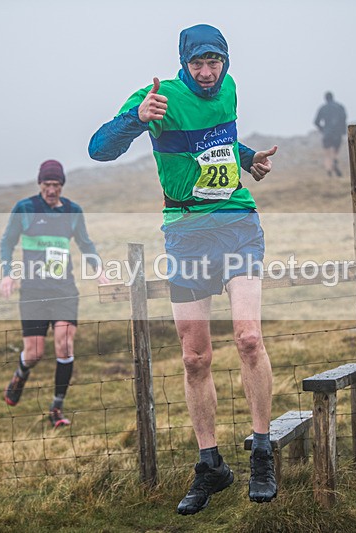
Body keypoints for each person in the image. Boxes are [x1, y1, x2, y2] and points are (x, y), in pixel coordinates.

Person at [88, 24, 278, 515]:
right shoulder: (159, 99)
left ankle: (262, 450)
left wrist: (247, 157)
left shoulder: (230, 89)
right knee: (195, 357)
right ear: (183, 62)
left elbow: (216, 146)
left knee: (249, 338)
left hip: (237, 223)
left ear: (225, 62)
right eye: (198, 63)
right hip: (185, 231)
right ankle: (211, 464)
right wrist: (136, 117)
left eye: (214, 62)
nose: (208, 71)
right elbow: (98, 149)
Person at [0, 159, 108, 428]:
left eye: (56, 185)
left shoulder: (73, 211)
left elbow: (85, 243)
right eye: (47, 185)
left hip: (64, 290)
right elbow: (7, 242)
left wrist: (98, 268)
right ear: (40, 184)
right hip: (33, 291)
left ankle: (56, 408)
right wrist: (7, 273)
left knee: (65, 343)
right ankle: (20, 374)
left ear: (62, 186)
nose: (51, 190)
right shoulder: (24, 209)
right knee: (34, 352)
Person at [314, 91, 347, 177]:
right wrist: (343, 131)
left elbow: (316, 122)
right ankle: (335, 160)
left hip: (327, 133)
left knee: (327, 153)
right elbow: (344, 119)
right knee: (335, 151)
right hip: (337, 132)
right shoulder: (340, 107)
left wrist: (323, 129)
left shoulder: (322, 108)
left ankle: (329, 170)